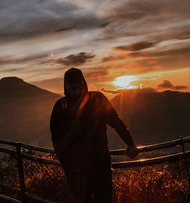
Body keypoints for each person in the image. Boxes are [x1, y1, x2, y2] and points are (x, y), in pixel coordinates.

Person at [50, 68, 138, 203]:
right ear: (66, 85)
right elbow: (56, 138)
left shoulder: (64, 105)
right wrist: (130, 143)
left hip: (92, 165)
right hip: (83, 167)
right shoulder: (92, 99)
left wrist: (130, 143)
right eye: (71, 84)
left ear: (82, 82)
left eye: (76, 84)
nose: (74, 87)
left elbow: (115, 121)